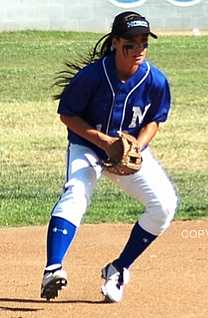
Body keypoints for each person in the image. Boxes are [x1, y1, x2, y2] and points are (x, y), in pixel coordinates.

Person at [41, 11, 178, 303]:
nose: (139, 49)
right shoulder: (92, 77)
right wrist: (103, 142)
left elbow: (155, 120)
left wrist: (137, 147)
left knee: (164, 206)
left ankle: (118, 269)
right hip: (87, 146)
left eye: (144, 42)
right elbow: (67, 114)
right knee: (76, 192)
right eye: (132, 43)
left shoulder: (155, 80)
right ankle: (52, 269)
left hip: (127, 152)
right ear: (115, 43)